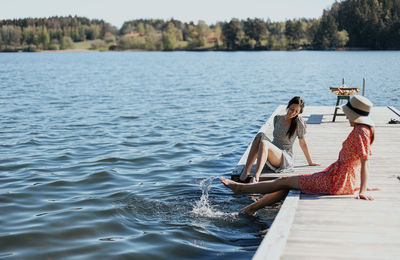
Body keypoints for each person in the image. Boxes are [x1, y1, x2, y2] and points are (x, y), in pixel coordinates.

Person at [221, 95, 378, 215]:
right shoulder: (362, 130)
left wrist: (362, 190)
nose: (346, 116)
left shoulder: (360, 132)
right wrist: (357, 184)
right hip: (337, 177)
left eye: (348, 113)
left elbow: (365, 161)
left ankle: (240, 188)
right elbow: (357, 161)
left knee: (285, 181)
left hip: (335, 181)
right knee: (286, 184)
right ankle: (249, 209)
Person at [240, 96, 319, 183]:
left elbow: (302, 143)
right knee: (260, 135)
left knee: (264, 143)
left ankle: (256, 176)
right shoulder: (277, 118)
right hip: (272, 152)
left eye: (297, 111)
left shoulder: (298, 123)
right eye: (292, 109)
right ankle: (246, 171)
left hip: (284, 157)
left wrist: (310, 162)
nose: (293, 112)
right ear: (288, 106)